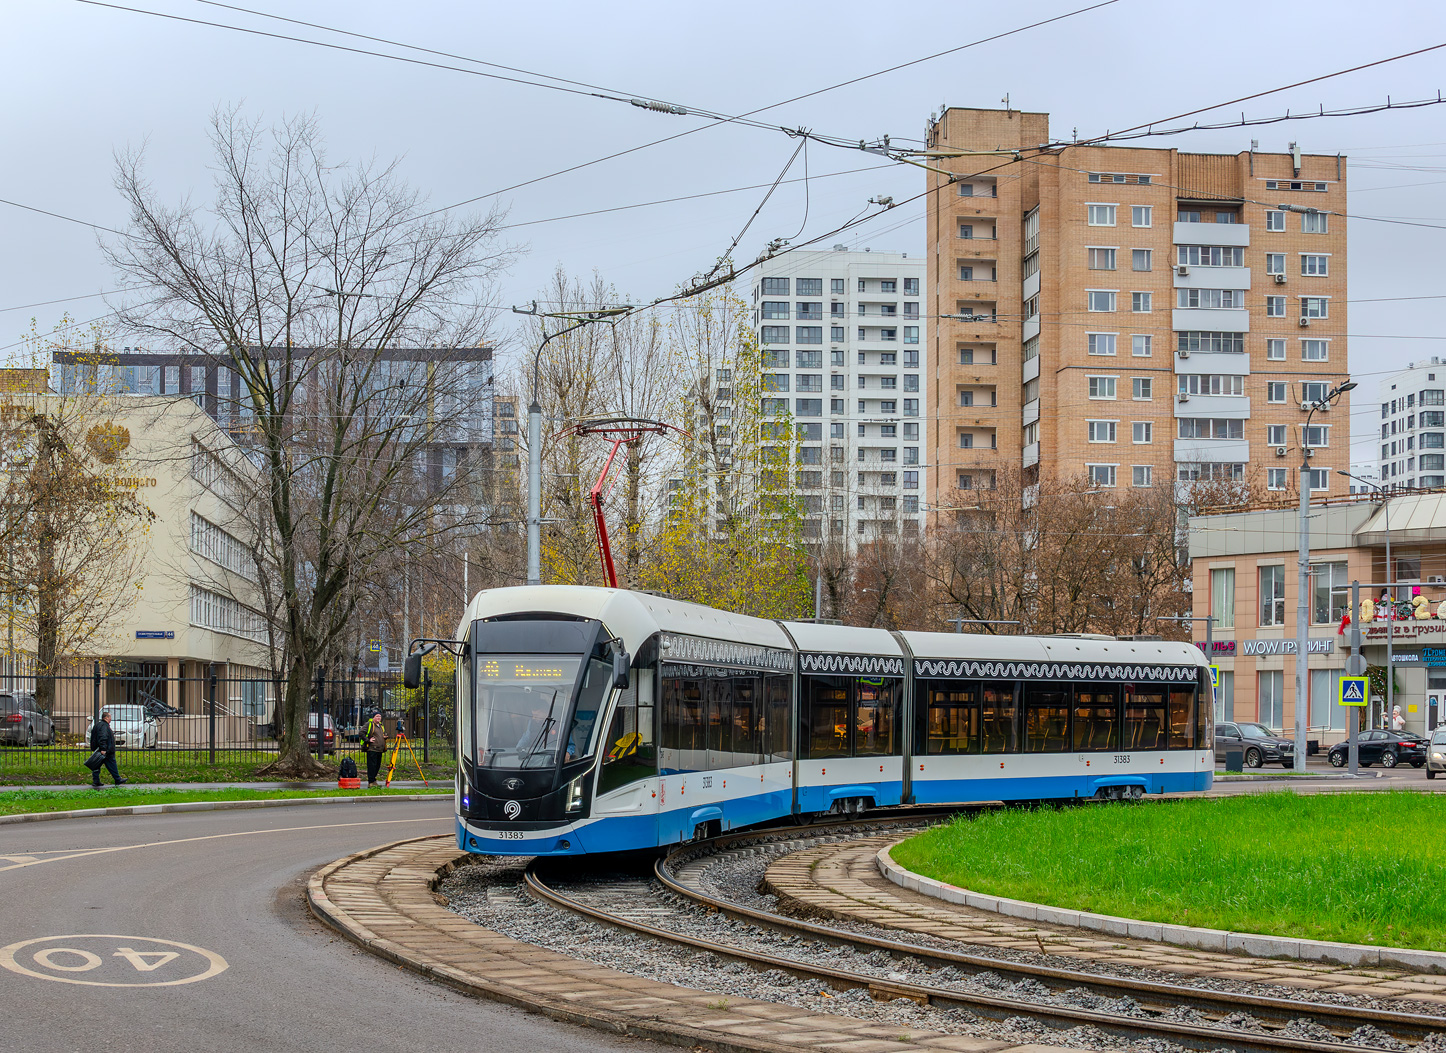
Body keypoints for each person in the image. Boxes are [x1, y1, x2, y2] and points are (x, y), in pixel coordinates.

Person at [89, 710, 127, 789]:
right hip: (106, 750)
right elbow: (103, 737)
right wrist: (103, 748)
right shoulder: (104, 726)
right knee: (111, 764)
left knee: (97, 765)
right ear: (106, 718)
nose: (111, 719)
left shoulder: (98, 725)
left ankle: (96, 781)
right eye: (110, 717)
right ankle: (117, 779)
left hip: (100, 749)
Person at [363, 710, 387, 788]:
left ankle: (374, 780)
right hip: (372, 749)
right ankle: (371, 782)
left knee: (377, 766)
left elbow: (381, 735)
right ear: (373, 717)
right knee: (372, 766)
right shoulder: (369, 724)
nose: (378, 718)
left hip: (380, 749)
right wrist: (368, 740)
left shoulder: (381, 726)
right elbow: (361, 733)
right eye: (377, 716)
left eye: (379, 716)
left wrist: (384, 737)